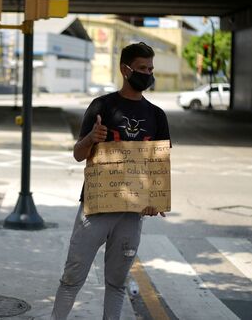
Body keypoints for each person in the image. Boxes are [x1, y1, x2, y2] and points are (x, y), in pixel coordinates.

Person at [51, 42, 170, 320]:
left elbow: (159, 165)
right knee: (72, 277)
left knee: (116, 283)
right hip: (95, 209)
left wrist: (157, 199)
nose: (147, 74)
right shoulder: (102, 106)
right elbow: (79, 155)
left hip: (131, 215)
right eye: (142, 68)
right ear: (124, 69)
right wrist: (91, 138)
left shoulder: (157, 115)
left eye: (150, 69)